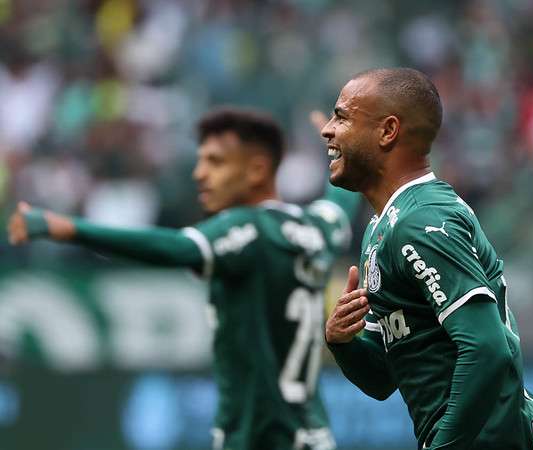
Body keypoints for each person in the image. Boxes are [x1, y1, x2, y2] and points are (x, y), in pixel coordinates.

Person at [7, 107, 360, 450]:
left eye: (215, 162)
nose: (200, 174)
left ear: (256, 170)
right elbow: (340, 200)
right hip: (313, 434)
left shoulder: (248, 229)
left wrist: (68, 228)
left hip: (262, 436)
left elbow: (176, 247)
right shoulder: (315, 229)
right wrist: (340, 150)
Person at [321, 67, 533, 450]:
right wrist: (342, 343)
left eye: (342, 116)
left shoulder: (421, 220)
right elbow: (381, 380)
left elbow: (486, 349)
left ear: (388, 131)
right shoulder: (383, 226)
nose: (327, 129)